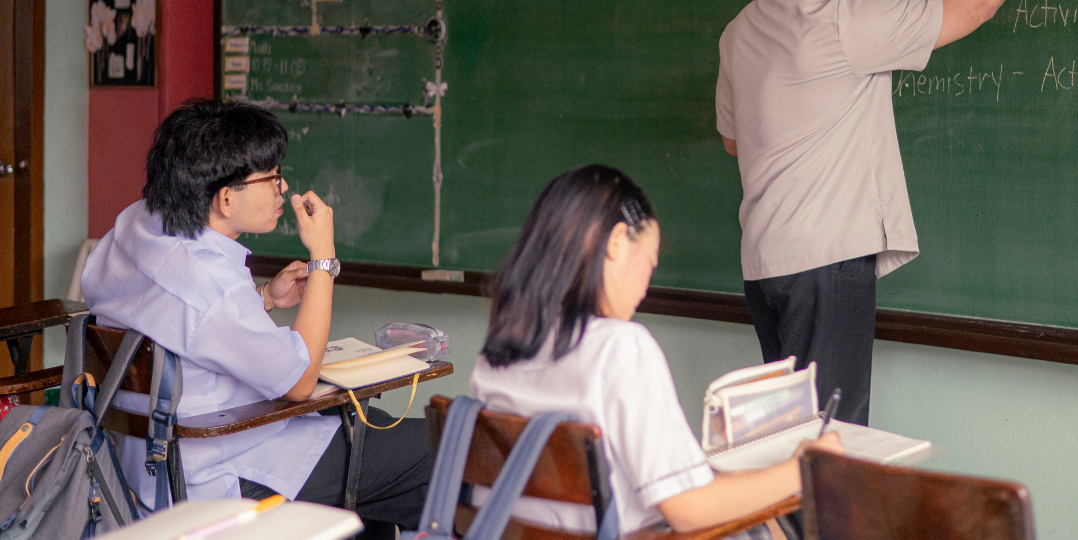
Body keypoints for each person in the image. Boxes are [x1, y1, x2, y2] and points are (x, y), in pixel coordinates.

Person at [716, 0, 1063, 425]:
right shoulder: (842, 21)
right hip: (825, 263)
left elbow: (735, 144)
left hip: (764, 266)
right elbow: (974, 6)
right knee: (832, 441)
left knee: (788, 436)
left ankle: (787, 518)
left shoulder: (739, 31)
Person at [80, 98, 429, 539]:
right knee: (439, 447)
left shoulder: (136, 225)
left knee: (375, 451)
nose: (283, 188)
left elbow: (183, 324)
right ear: (226, 198)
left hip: (141, 469)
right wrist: (323, 257)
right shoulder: (214, 289)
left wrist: (263, 296)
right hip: (221, 476)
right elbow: (300, 383)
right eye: (272, 177)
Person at [469, 164, 842, 536]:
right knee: (768, 526)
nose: (646, 287)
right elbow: (688, 509)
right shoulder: (621, 348)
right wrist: (802, 469)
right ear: (616, 244)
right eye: (649, 262)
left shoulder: (498, 351)